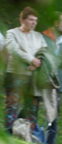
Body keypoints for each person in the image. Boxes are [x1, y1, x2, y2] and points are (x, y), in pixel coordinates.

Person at [4, 7, 46, 135]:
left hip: (33, 76)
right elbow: (14, 50)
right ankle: (8, 133)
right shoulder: (12, 33)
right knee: (12, 104)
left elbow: (44, 52)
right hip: (15, 74)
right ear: (22, 19)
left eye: (35, 21)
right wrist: (31, 60)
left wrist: (37, 62)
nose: (33, 23)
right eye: (31, 20)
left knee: (32, 107)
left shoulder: (38, 36)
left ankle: (28, 134)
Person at [41, 12, 62, 144]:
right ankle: (25, 133)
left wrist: (59, 60)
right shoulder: (43, 36)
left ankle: (50, 143)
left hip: (58, 83)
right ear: (55, 23)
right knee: (34, 109)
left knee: (54, 114)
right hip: (42, 80)